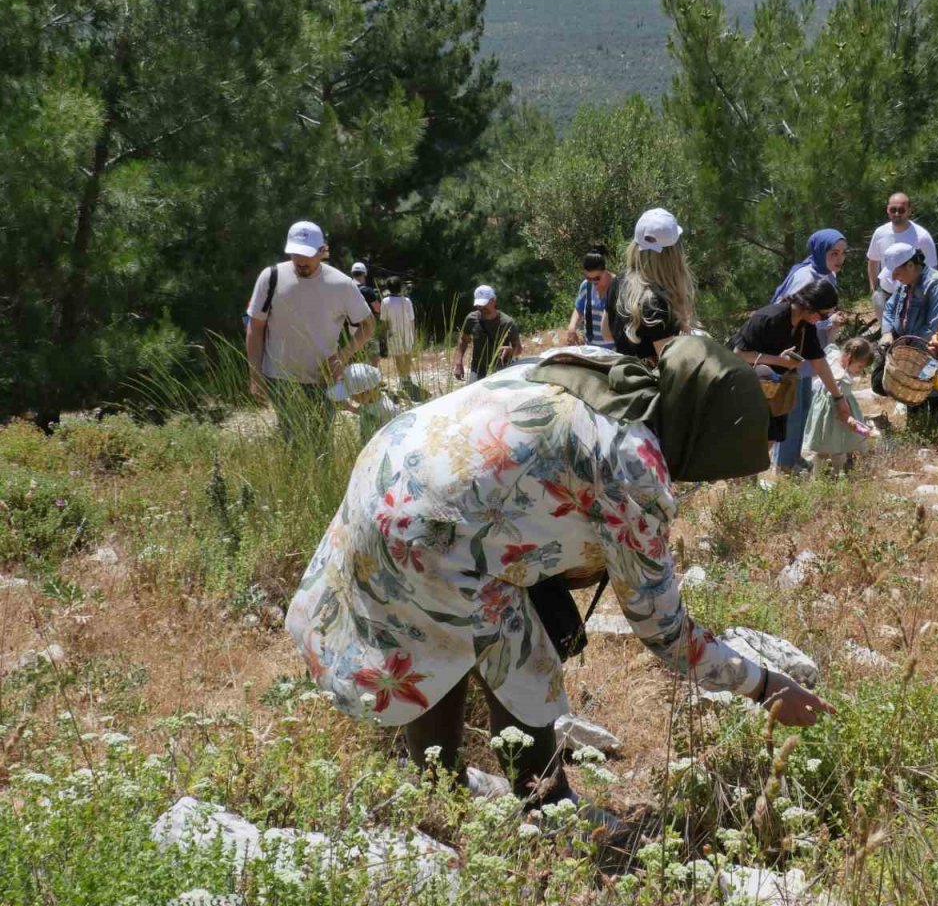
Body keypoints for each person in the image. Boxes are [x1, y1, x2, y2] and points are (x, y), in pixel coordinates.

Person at [285, 336, 834, 810]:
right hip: (432, 527)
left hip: (390, 471)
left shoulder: (605, 369)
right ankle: (544, 805)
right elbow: (666, 634)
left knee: (440, 639)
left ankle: (439, 782)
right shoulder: (635, 475)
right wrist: (764, 686)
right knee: (522, 657)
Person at [245, 221, 375, 444]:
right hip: (280, 378)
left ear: (322, 251)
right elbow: (255, 328)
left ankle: (320, 476)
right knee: (290, 439)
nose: (301, 261)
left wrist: (342, 357)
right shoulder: (271, 277)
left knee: (320, 440)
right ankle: (294, 476)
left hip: (322, 378)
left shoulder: (342, 285)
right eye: (295, 253)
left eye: (307, 254)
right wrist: (255, 375)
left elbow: (368, 325)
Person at [731, 281, 854, 475]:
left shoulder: (806, 326)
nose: (823, 320)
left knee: (772, 436)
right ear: (809, 306)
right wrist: (778, 361)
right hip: (749, 387)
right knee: (750, 437)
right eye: (823, 315)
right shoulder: (768, 317)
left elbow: (819, 362)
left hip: (777, 391)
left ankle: (747, 477)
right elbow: (738, 353)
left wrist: (838, 397)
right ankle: (739, 478)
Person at [770, 229, 849, 473]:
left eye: (843, 253)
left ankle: (792, 457)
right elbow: (792, 317)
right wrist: (828, 322)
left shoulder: (826, 275)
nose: (839, 259)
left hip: (807, 352)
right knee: (791, 411)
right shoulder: (806, 277)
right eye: (833, 253)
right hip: (792, 352)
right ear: (819, 251)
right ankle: (784, 464)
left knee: (802, 408)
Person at [876, 242, 938, 434]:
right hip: (912, 356)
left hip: (934, 356)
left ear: (911, 266)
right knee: (913, 398)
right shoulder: (907, 285)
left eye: (897, 272)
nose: (895, 278)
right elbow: (889, 308)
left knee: (937, 400)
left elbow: (936, 327)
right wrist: (887, 332)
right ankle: (916, 437)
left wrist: (905, 344)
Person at [603, 208, 695, 363]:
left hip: (625, 377)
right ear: (673, 254)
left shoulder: (619, 281)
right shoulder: (658, 303)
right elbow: (672, 364)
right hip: (651, 384)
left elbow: (606, 333)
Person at [803, 337, 877, 475]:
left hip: (824, 413)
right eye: (860, 366)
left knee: (826, 445)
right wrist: (851, 420)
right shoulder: (840, 377)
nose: (859, 371)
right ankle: (834, 473)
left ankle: (822, 473)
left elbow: (830, 347)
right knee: (837, 444)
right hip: (835, 414)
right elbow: (837, 403)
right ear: (849, 357)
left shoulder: (833, 357)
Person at [866, 193, 938, 323]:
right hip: (885, 292)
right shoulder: (880, 233)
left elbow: (932, 269)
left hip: (910, 296)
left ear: (909, 211)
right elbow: (873, 261)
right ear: (887, 210)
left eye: (901, 210)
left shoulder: (922, 237)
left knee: (905, 334)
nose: (897, 214)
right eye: (893, 210)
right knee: (887, 333)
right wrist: (874, 288)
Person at [454, 285, 522, 383]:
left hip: (502, 369)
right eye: (479, 305)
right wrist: (458, 362)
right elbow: (464, 340)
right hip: (478, 369)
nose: (481, 307)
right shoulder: (471, 319)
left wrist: (510, 350)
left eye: (484, 304)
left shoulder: (507, 322)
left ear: (493, 300)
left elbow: (518, 349)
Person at [327, 363, 401, 446]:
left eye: (352, 396)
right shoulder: (368, 402)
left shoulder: (388, 409)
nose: (350, 398)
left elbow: (390, 439)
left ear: (366, 392)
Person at [564, 245, 615, 349]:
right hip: (592, 348)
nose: (593, 282)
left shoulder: (617, 285)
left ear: (605, 271)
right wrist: (572, 326)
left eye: (597, 278)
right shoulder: (586, 285)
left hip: (615, 350)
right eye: (588, 278)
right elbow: (579, 309)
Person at [380, 277, 417, 393]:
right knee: (407, 355)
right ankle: (407, 376)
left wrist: (384, 336)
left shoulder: (385, 302)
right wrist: (413, 333)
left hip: (393, 332)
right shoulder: (407, 301)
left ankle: (403, 378)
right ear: (400, 287)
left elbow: (384, 320)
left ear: (388, 288)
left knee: (398, 357)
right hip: (407, 331)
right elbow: (412, 319)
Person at [350, 262, 382, 366]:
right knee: (373, 354)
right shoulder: (368, 291)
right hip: (367, 327)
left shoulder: (347, 289)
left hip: (351, 327)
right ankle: (374, 379)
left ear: (352, 273)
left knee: (355, 353)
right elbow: (378, 309)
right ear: (365, 274)